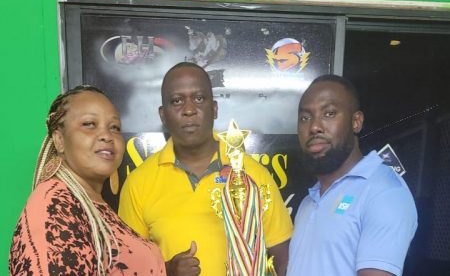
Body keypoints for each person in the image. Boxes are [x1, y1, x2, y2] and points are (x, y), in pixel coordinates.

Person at [119, 62, 293, 276]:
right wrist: (166, 271)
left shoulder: (253, 175)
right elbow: (128, 268)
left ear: (215, 108)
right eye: (177, 101)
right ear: (163, 115)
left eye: (199, 98)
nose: (189, 110)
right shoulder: (138, 183)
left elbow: (283, 261)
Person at [9, 85, 166, 276]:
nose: (106, 136)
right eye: (89, 124)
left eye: (114, 127)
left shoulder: (91, 205)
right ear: (59, 140)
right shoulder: (55, 205)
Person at [287, 74, 418, 276]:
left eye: (329, 113)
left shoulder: (383, 192)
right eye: (305, 118)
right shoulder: (309, 201)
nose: (314, 126)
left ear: (356, 122)